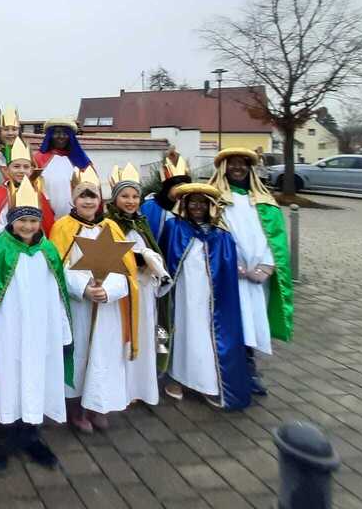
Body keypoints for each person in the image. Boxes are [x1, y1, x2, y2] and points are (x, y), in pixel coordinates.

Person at [0, 176, 71, 472]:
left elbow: (58, 293)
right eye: (22, 221)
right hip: (9, 332)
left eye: (33, 221)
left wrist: (62, 329)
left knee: (37, 381)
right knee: (9, 383)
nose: (27, 226)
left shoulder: (48, 252)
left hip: (42, 333)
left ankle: (31, 437)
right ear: (12, 221)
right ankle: (3, 439)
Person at [50, 167, 138, 433]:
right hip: (79, 306)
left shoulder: (110, 227)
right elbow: (58, 268)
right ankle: (76, 406)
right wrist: (84, 288)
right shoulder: (63, 227)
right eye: (82, 197)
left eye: (93, 196)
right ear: (73, 200)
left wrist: (108, 290)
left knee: (103, 355)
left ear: (100, 200)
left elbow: (127, 268)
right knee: (80, 354)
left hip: (107, 307)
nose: (88, 202)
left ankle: (98, 403)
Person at [209, 148, 294, 396]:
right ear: (224, 168)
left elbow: (275, 239)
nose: (238, 168)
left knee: (253, 324)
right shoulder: (215, 200)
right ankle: (224, 372)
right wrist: (231, 265)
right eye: (232, 164)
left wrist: (266, 267)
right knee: (229, 324)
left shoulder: (265, 202)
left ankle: (249, 371)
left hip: (257, 277)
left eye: (242, 164)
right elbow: (211, 236)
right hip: (227, 276)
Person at [159, 182, 250, 410]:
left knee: (207, 337)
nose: (197, 206)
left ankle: (207, 383)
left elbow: (226, 268)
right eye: (192, 202)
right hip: (181, 296)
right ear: (185, 204)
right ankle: (177, 378)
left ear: (210, 206)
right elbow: (165, 258)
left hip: (211, 300)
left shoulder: (221, 234)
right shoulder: (174, 227)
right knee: (182, 334)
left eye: (202, 202)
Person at [104, 163, 170, 407]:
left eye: (135, 196)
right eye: (125, 196)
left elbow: (154, 250)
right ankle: (125, 389)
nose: (130, 201)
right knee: (126, 337)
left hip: (144, 290)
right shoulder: (109, 224)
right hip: (123, 293)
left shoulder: (142, 224)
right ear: (115, 198)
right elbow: (106, 259)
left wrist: (153, 263)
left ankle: (144, 387)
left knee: (145, 334)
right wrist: (134, 260)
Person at [0, 135, 54, 245]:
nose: (21, 171)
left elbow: (46, 227)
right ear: (7, 170)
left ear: (31, 170)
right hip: (4, 247)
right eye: (16, 166)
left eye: (26, 167)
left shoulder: (38, 195)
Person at [34, 119, 93, 220]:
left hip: (76, 218)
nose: (61, 136)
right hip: (46, 218)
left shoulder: (81, 161)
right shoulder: (38, 159)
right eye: (57, 133)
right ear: (50, 136)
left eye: (65, 133)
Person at [140, 172, 193, 241]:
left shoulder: (189, 208)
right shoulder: (150, 206)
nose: (182, 190)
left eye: (186, 187)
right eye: (179, 186)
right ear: (168, 187)